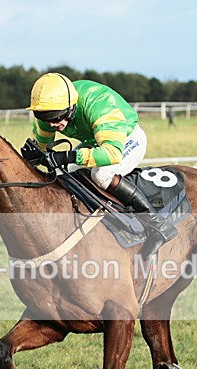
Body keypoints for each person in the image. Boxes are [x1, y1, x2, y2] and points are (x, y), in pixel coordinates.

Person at [20, 72, 176, 258]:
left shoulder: (98, 103)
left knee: (101, 175)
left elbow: (111, 153)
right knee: (62, 174)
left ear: (70, 107)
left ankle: (158, 225)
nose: (52, 124)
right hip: (95, 142)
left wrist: (66, 156)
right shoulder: (50, 108)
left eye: (56, 118)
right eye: (45, 118)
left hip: (126, 140)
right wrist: (33, 156)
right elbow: (42, 146)